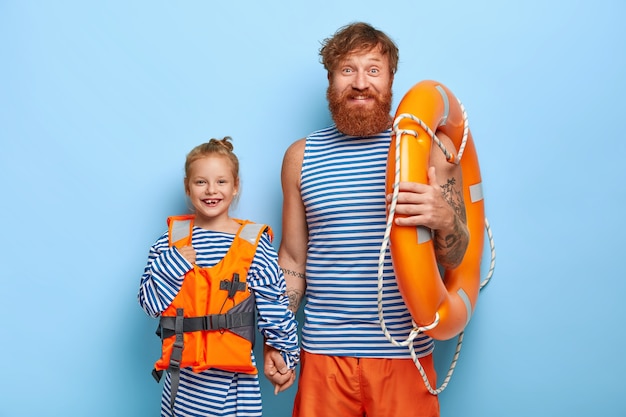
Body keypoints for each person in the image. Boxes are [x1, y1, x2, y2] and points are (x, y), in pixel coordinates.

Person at [263, 23, 469, 417]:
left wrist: (445, 219)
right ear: (330, 80)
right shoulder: (299, 157)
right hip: (323, 355)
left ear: (391, 79)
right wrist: (279, 338)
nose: (360, 83)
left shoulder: (430, 150)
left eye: (373, 70)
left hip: (403, 354)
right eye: (347, 70)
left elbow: (456, 259)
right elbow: (291, 260)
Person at [138, 137, 300, 417]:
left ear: (235, 186)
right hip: (182, 384)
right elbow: (149, 305)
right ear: (187, 187)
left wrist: (286, 355)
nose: (211, 190)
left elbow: (275, 305)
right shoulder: (169, 243)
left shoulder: (253, 244)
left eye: (221, 182)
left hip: (235, 391)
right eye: (201, 182)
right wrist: (173, 264)